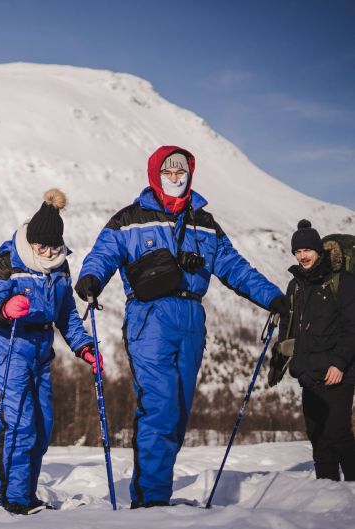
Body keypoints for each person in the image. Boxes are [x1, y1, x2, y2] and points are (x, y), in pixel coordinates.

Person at [75, 146, 288, 508]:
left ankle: (155, 495)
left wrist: (272, 298)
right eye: (168, 173)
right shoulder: (130, 218)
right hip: (150, 318)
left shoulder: (204, 224)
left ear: (189, 175)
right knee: (160, 406)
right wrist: (91, 278)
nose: (175, 178)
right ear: (155, 175)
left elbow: (235, 268)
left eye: (181, 173)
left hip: (192, 319)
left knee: (179, 410)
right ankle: (152, 503)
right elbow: (104, 253)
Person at [0, 189, 97, 514]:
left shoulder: (60, 268)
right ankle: (14, 499)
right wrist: (5, 308)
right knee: (19, 424)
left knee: (42, 425)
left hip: (41, 352)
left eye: (53, 246)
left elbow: (67, 314)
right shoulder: (6, 263)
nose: (47, 251)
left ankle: (26, 495)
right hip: (7, 347)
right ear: (29, 241)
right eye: (41, 245)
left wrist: (84, 346)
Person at [272, 220, 355, 480]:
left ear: (319, 250)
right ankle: (325, 490)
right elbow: (288, 325)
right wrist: (279, 359)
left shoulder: (343, 282)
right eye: (297, 252)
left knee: (338, 432)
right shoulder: (296, 285)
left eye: (307, 250)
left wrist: (339, 363)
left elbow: (352, 326)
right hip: (309, 371)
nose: (302, 256)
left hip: (338, 371)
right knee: (318, 435)